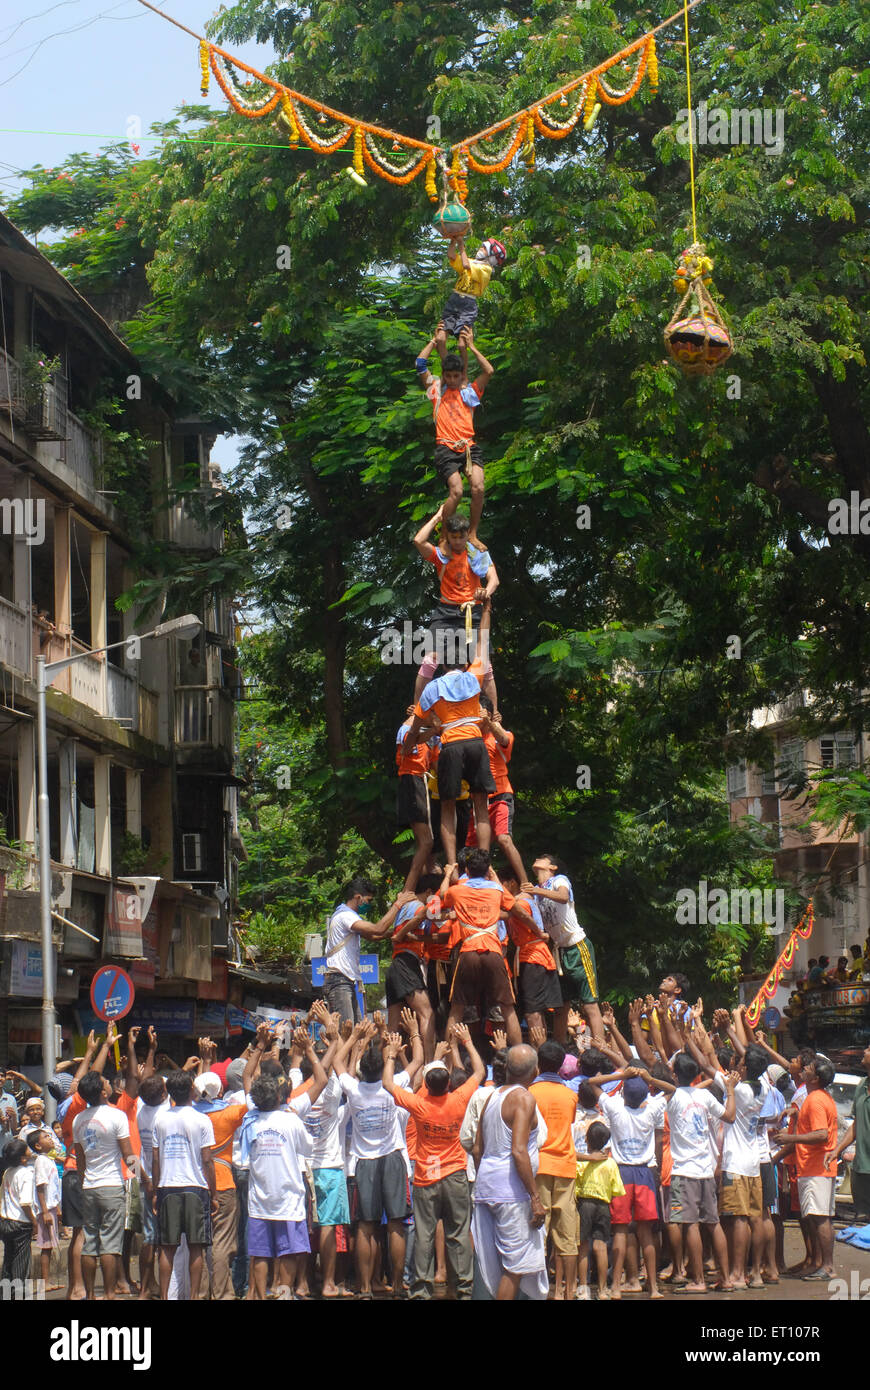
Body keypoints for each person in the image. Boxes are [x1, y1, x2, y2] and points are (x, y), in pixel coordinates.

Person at [383, 1021, 484, 1300]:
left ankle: (421, 1291)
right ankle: (464, 1290)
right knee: (458, 1234)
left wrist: (391, 1054)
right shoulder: (460, 1098)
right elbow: (479, 1071)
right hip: (456, 1175)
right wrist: (466, 1042)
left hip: (426, 1176)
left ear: (426, 1085)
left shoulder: (419, 1103)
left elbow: (388, 1083)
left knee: (425, 1235)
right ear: (449, 1083)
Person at [403, 597, 496, 864]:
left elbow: (416, 728)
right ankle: (485, 861)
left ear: (443, 666)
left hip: (452, 746)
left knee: (447, 808)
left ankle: (453, 865)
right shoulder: (474, 675)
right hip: (477, 743)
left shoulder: (433, 688)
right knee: (480, 806)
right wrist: (486, 609)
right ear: (464, 663)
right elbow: (482, 640)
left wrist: (409, 746)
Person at [334, 1020, 423, 1298]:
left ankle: (363, 1288)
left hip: (365, 1162)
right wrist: (410, 1036)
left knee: (366, 1225)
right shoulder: (394, 1084)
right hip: (394, 1158)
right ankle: (397, 1285)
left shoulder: (353, 1089)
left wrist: (355, 1039)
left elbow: (338, 1060)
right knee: (397, 1222)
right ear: (384, 1066)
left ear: (361, 1070)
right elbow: (419, 1059)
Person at [586, 1065, 672, 1299]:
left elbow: (592, 1082)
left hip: (621, 1173)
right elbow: (672, 1089)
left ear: (624, 1093)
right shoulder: (653, 1108)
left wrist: (621, 1075)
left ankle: (615, 1286)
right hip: (644, 1173)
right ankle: (653, 1287)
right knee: (646, 1234)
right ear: (645, 1094)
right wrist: (649, 1076)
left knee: (621, 1231)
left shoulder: (615, 1107)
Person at [471, 1043, 548, 1301]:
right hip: (511, 1194)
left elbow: (477, 1148)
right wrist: (535, 1199)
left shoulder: (492, 1096)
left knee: (498, 1265)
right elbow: (518, 1150)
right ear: (535, 1071)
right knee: (514, 1267)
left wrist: (488, 1179)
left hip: (487, 1188)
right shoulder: (524, 1098)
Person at [237, 1073, 315, 1300]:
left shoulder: (250, 1122)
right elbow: (307, 1148)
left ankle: (262, 1297)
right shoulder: (290, 1120)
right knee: (288, 1251)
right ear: (279, 1096)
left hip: (260, 1199)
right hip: (288, 1198)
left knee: (260, 1253)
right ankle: (283, 1295)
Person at [412, 508, 498, 708]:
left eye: (462, 536)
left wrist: (486, 592)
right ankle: (416, 711)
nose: (458, 541)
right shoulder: (442, 554)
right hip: (446, 612)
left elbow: (494, 580)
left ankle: (495, 714)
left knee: (484, 665)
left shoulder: (478, 553)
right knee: (429, 661)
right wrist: (437, 517)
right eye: (453, 537)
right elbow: (418, 541)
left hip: (473, 612)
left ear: (468, 534)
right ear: (448, 536)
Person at [666, 1051, 737, 1293]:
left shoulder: (673, 1096)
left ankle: (698, 1281)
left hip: (685, 1170)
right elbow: (729, 1116)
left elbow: (659, 1083)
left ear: (676, 1074)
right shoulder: (705, 1096)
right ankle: (726, 1279)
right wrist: (730, 1090)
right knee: (713, 1223)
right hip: (706, 1169)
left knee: (690, 1224)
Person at [416, 325, 494, 538]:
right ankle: (443, 535)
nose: (451, 380)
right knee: (457, 492)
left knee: (478, 488)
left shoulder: (469, 393)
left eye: (455, 376)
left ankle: (473, 533)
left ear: (461, 375)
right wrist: (434, 341)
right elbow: (420, 364)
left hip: (468, 447)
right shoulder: (437, 392)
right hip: (446, 449)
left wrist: (472, 347)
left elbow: (489, 371)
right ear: (444, 375)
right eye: (447, 376)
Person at [442, 849, 524, 1046]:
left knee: (457, 1009)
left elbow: (441, 897)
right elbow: (514, 909)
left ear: (467, 871)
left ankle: (449, 1064)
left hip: (469, 951)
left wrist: (447, 875)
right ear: (488, 870)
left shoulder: (457, 890)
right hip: (493, 952)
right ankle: (519, 1057)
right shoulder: (496, 890)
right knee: (508, 1008)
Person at [522, 853, 604, 1044]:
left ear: (553, 867)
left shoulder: (559, 880)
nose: (537, 859)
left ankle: (601, 1051)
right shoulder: (537, 892)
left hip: (577, 946)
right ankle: (559, 1052)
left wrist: (536, 891)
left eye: (543, 857)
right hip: (558, 952)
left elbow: (562, 896)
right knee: (560, 1008)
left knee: (590, 1005)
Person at [151, 1069, 217, 1301]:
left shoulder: (160, 1119)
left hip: (167, 1187)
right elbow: (207, 1160)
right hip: (196, 1188)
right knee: (196, 1247)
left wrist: (156, 1190)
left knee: (166, 1248)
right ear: (191, 1090)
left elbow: (155, 1158)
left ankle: (165, 1296)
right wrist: (214, 1192)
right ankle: (194, 1296)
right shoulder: (202, 1119)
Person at [772, 1055, 839, 1280]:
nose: (804, 1069)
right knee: (816, 1217)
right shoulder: (816, 1098)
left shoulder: (816, 1099)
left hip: (816, 1168)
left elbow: (821, 1134)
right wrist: (797, 1116)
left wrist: (793, 1139)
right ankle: (820, 1263)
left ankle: (827, 1266)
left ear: (816, 1077)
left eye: (808, 1067)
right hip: (814, 1167)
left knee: (819, 1218)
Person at [72, 1068, 135, 1300]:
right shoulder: (116, 1116)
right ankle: (109, 1294)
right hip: (111, 1186)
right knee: (110, 1243)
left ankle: (90, 1295)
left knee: (90, 1241)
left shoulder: (79, 1119)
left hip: (89, 1185)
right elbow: (128, 1154)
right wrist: (143, 1176)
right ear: (103, 1093)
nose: (109, 1083)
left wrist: (83, 1182)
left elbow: (80, 1159)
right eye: (106, 1082)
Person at [323, 881, 416, 1025]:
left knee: (356, 1031)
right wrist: (398, 904)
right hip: (339, 980)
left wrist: (399, 932)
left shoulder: (348, 916)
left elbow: (374, 936)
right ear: (358, 897)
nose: (369, 904)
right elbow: (378, 929)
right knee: (345, 1032)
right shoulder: (345, 916)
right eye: (368, 900)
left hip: (346, 980)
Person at [530, 1041, 580, 1301]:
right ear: (561, 1065)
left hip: (539, 1166)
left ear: (538, 1063)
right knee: (567, 1235)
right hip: (565, 1166)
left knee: (539, 1231)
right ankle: (569, 1291)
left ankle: (540, 1290)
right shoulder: (570, 1094)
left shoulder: (530, 1092)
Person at [464, 699, 525, 882]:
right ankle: (477, 882)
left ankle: (525, 883)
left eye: (479, 712)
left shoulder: (500, 734)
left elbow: (505, 739)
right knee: (471, 847)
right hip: (478, 799)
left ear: (489, 714)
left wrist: (490, 723)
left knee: (504, 839)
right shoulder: (470, 736)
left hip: (500, 794)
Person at [386, 874, 442, 1059]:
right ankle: (429, 1062)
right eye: (434, 895)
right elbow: (431, 916)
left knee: (393, 1025)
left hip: (395, 964)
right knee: (427, 1014)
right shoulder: (419, 906)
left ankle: (386, 1064)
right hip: (407, 963)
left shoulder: (403, 906)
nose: (436, 899)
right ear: (428, 892)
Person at [503, 875, 561, 1036]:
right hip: (529, 956)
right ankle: (540, 1049)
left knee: (532, 1011)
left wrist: (539, 932)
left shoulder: (520, 903)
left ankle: (539, 1055)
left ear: (511, 882)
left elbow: (523, 916)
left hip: (534, 956)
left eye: (502, 883)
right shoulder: (521, 901)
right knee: (534, 1010)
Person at [575, 1120, 625, 1300]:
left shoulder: (583, 1163)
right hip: (603, 1205)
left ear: (586, 1140)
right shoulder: (610, 1163)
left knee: (583, 1247)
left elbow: (576, 1185)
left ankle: (583, 1288)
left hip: (585, 1204)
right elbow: (618, 1189)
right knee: (601, 1246)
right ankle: (603, 1290)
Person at [136, 1073, 169, 1300]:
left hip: (145, 1178)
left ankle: (146, 1288)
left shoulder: (140, 1111)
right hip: (164, 1181)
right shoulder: (165, 1114)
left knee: (149, 1237)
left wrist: (145, 1180)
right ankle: (164, 1290)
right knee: (166, 1238)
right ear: (164, 1095)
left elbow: (133, 1155)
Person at [395, 704, 435, 891]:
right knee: (426, 841)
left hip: (421, 782)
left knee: (425, 841)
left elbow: (437, 761)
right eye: (433, 713)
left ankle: (427, 879)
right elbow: (407, 746)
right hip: (411, 781)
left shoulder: (429, 736)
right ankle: (408, 890)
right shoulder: (407, 730)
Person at [439, 235, 506, 339]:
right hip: (455, 298)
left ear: (491, 256)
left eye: (484, 248)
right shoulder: (473, 262)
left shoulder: (486, 269)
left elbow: (466, 265)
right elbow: (451, 255)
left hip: (468, 304)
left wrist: (461, 245)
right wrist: (453, 239)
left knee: (462, 340)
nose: (480, 248)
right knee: (440, 337)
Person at [835, 1042, 870, 1221]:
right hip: (861, 1167)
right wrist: (837, 1150)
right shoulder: (862, 1085)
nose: (865, 1051)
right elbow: (856, 1125)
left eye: (869, 1049)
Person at [28, 1128, 63, 1290]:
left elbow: (53, 1188)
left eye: (49, 1136)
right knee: (46, 1246)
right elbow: (40, 1187)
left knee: (50, 1246)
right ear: (38, 1145)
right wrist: (45, 1211)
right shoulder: (41, 1161)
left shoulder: (49, 1160)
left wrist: (56, 1207)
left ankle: (48, 1281)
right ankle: (45, 1282)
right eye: (45, 1137)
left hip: (51, 1208)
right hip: (45, 1210)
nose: (49, 1138)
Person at [0, 1139, 36, 1293]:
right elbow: (26, 1203)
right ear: (22, 1157)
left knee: (8, 1259)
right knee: (21, 1263)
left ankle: (5, 1294)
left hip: (5, 1220)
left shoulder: (8, 1172)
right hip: (21, 1223)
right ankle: (18, 1294)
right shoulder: (26, 1173)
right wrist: (34, 1222)